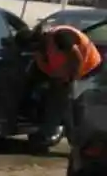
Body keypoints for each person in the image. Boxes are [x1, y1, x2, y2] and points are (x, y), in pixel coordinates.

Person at [31, 23, 101, 153]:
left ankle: (79, 143)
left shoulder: (61, 37)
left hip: (87, 69)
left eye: (39, 46)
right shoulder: (44, 46)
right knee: (61, 102)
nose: (38, 49)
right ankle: (58, 136)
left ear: (44, 38)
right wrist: (54, 76)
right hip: (67, 73)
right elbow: (46, 64)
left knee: (71, 105)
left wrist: (71, 78)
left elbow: (77, 58)